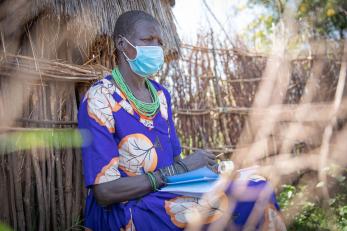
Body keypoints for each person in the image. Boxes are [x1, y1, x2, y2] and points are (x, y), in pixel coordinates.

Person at [78, 10, 286, 231]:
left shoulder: (160, 96)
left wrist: (204, 172)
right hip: (126, 208)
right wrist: (177, 170)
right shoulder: (100, 98)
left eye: (159, 42)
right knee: (220, 205)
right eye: (148, 40)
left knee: (256, 188)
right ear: (122, 43)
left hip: (166, 193)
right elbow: (105, 193)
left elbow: (177, 164)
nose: (156, 48)